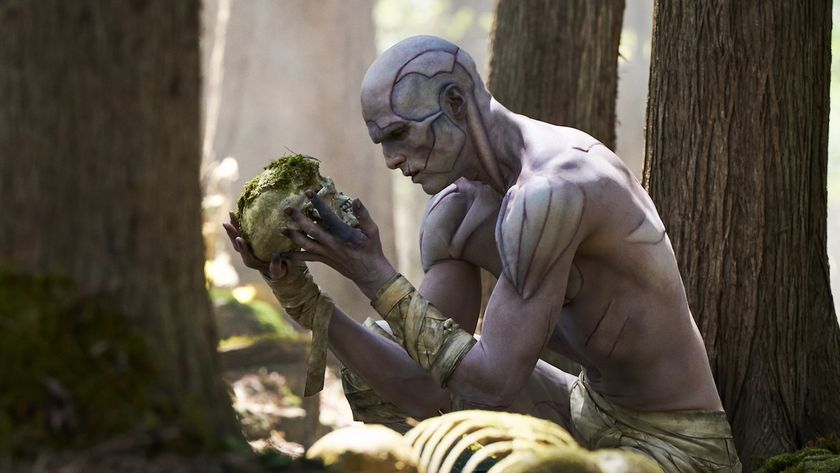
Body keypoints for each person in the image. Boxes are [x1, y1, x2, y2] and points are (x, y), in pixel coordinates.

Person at [224, 36, 741, 473]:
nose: (391, 160)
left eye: (400, 134)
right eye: (381, 141)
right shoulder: (455, 213)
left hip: (676, 447)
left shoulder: (554, 190)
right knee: (378, 358)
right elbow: (430, 384)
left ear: (455, 103)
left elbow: (491, 386)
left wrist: (371, 272)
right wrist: (301, 294)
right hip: (582, 412)